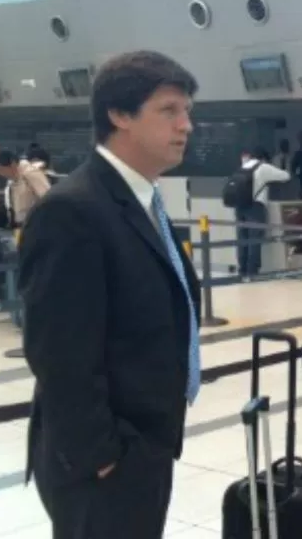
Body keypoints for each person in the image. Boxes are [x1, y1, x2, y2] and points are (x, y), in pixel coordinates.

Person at [18, 50, 201, 539]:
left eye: (187, 111)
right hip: (105, 459)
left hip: (146, 442)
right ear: (119, 115)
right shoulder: (73, 212)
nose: (186, 125)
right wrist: (103, 455)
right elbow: (59, 352)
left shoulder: (142, 202)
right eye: (169, 110)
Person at [235, 147, 291, 278]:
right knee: (254, 239)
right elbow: (286, 176)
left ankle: (242, 270)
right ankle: (252, 272)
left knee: (242, 239)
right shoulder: (263, 167)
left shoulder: (243, 167)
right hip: (255, 207)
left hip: (240, 207)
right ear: (263, 158)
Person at [0, 149, 51, 227]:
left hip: (36, 224)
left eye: (2, 170)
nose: (1, 174)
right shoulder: (12, 180)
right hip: (20, 224)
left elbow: (47, 198)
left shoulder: (30, 174)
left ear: (13, 164)